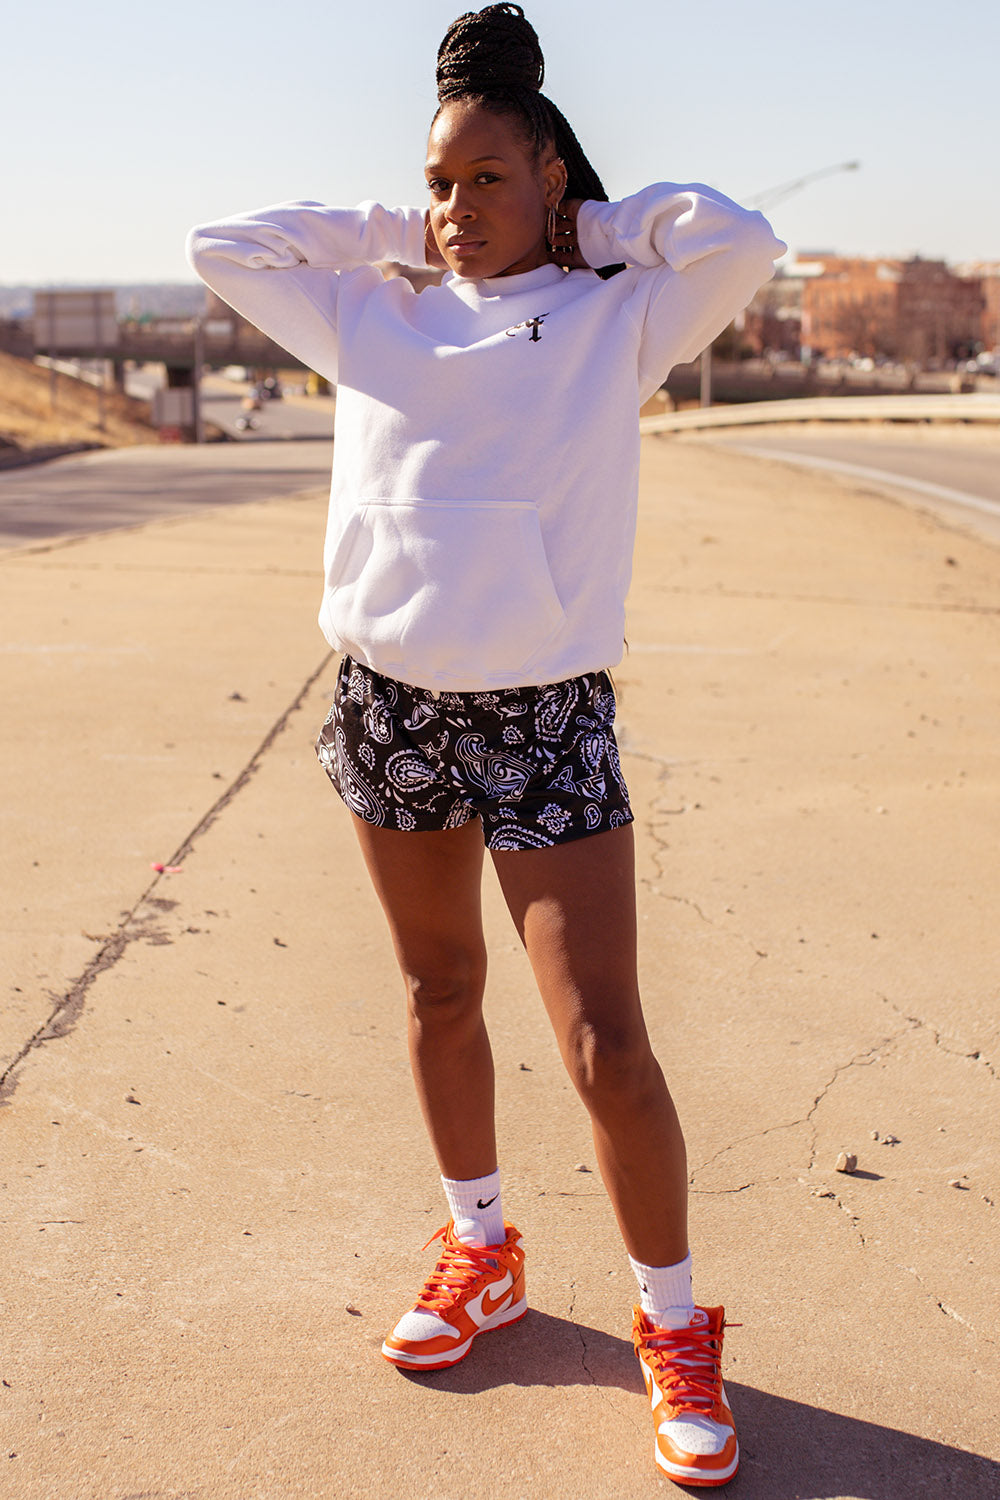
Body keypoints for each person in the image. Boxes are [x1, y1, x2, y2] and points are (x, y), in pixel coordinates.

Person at [186, 4, 784, 1486]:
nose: (457, 211)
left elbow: (742, 241)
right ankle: (483, 1250)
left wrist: (594, 225)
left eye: (488, 181)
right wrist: (414, 211)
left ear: (554, 181)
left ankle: (672, 1323)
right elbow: (225, 247)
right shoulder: (371, 308)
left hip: (544, 711)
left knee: (604, 1043)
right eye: (438, 183)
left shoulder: (613, 316)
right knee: (437, 987)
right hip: (389, 700)